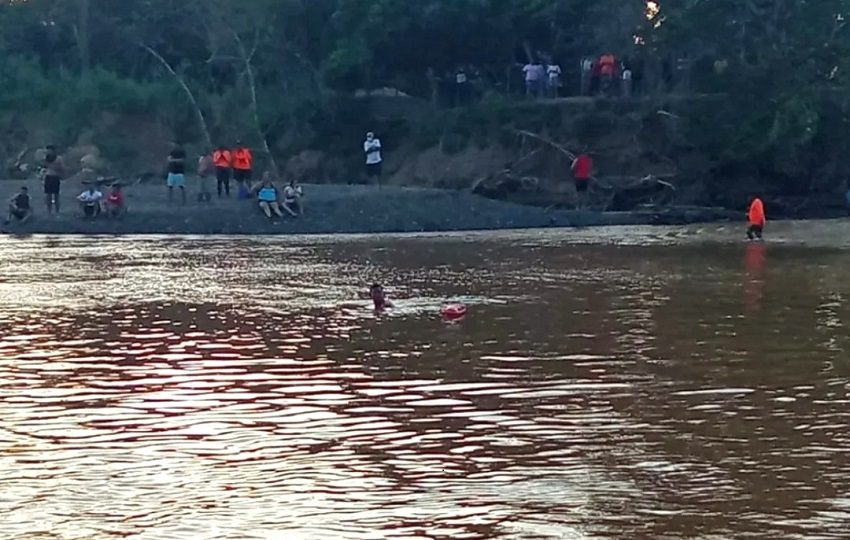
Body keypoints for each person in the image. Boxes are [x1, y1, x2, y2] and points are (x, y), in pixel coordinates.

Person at [43, 145, 65, 215]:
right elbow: (44, 166)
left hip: (55, 177)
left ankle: (57, 211)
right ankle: (49, 211)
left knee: (56, 195)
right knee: (48, 196)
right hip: (48, 177)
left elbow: (62, 168)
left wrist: (59, 171)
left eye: (49, 150)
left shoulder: (58, 158)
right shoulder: (46, 158)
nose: (48, 151)